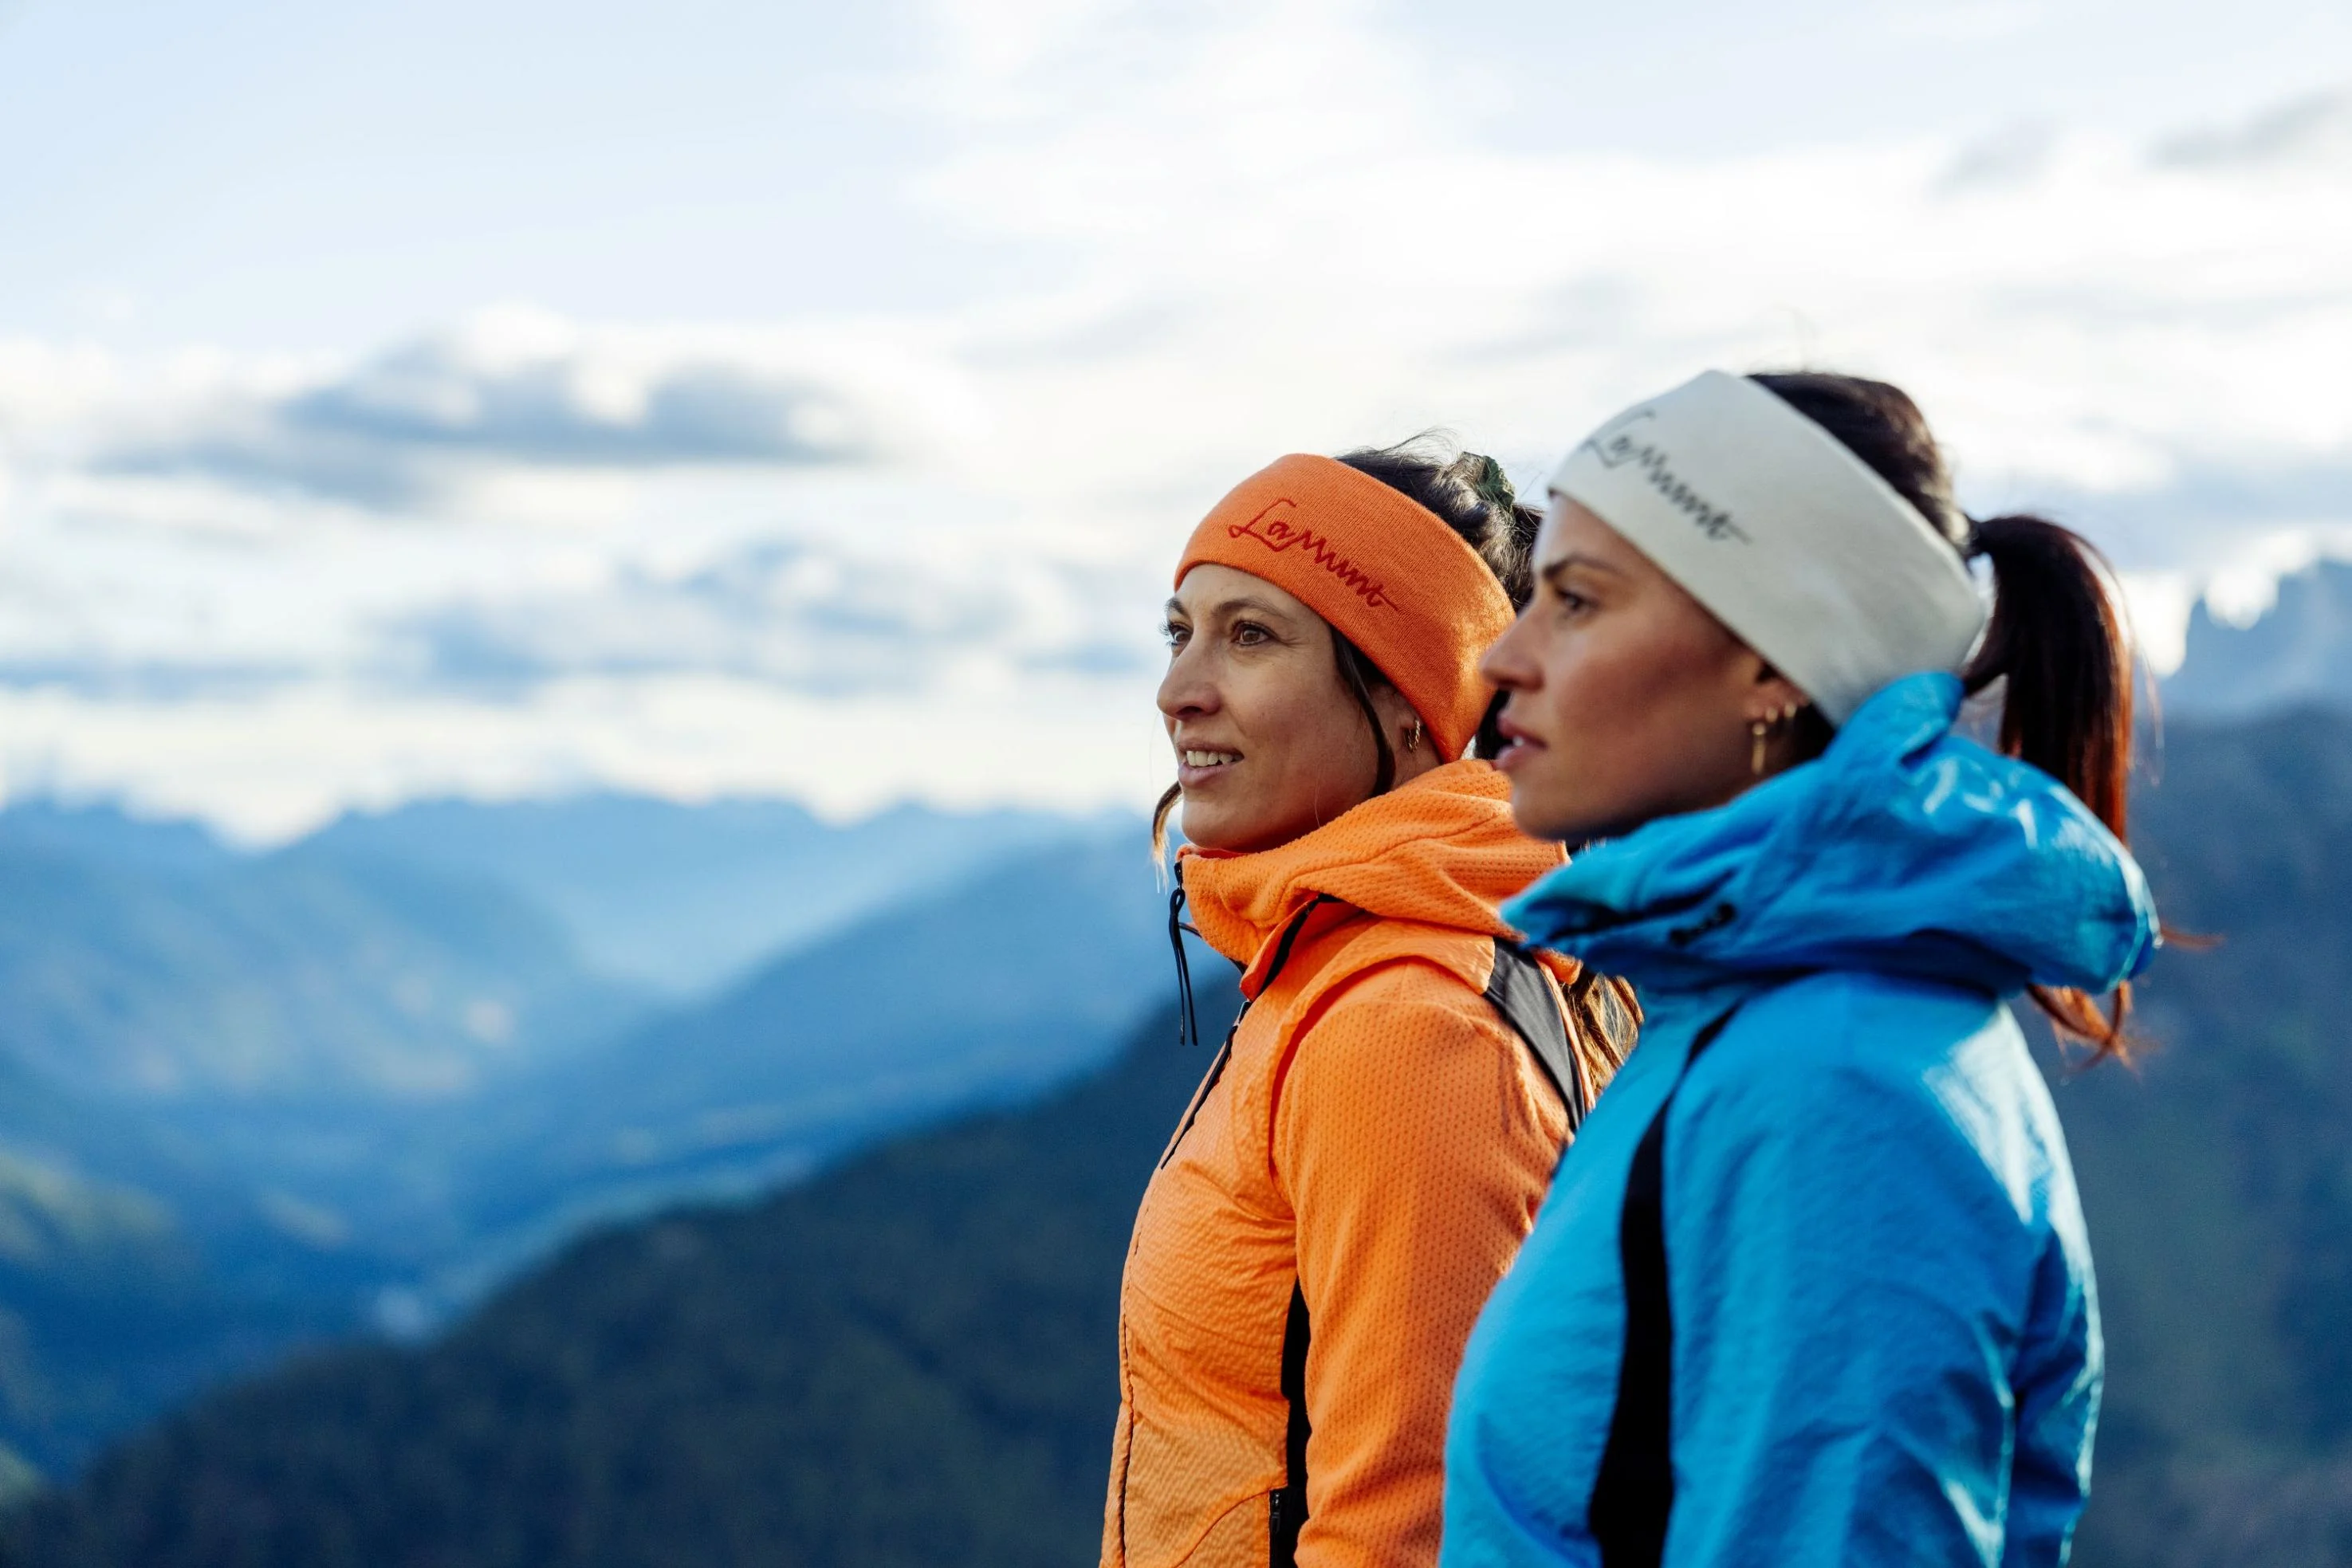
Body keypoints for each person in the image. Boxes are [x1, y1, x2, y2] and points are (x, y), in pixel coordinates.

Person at [1441, 370, 2159, 1567]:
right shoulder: (1744, 1012)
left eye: (1576, 601)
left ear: (1772, 664)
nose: (1503, 660)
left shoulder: (1831, 1086)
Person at [1104, 442, 1638, 1568]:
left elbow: (1409, 1531)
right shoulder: (1345, 956)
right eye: (1180, 629)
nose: (1178, 688)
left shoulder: (1406, 1023)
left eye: (1251, 634)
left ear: (1409, 699)